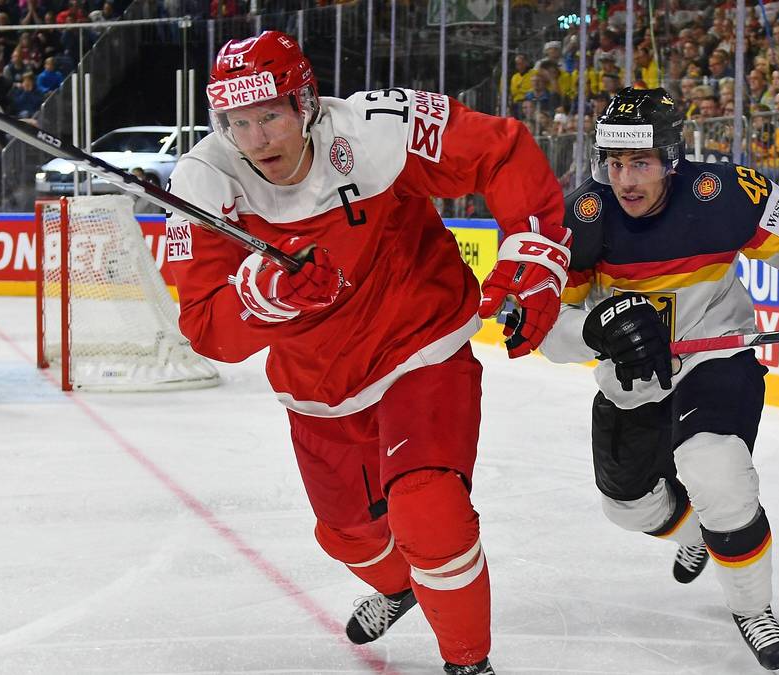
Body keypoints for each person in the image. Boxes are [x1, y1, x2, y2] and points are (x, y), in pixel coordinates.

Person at [164, 31, 569, 675]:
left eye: (269, 115)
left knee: (429, 512)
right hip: (318, 385)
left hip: (420, 350)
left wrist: (533, 253)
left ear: (306, 102)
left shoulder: (381, 127)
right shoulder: (202, 183)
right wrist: (270, 294)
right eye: (239, 123)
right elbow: (207, 328)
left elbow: (500, 150)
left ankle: (469, 661)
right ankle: (400, 587)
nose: (258, 139)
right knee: (349, 538)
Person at [538, 88, 779, 672]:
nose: (625, 181)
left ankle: (751, 606)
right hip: (632, 381)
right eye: (614, 163)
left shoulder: (727, 194)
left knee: (718, 471)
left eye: (639, 163)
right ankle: (700, 534)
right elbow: (545, 328)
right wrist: (596, 331)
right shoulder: (581, 220)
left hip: (717, 358)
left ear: (671, 157)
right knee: (627, 508)